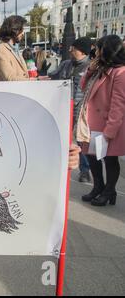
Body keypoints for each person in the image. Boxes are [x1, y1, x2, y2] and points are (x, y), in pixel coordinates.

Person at [77, 35, 125, 207]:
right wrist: (90, 69)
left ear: (107, 50)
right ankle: (98, 186)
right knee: (91, 156)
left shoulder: (120, 72)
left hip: (107, 124)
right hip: (92, 122)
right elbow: (83, 86)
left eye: (98, 48)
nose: (95, 51)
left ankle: (109, 191)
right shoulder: (99, 68)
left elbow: (118, 104)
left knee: (110, 160)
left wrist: (110, 131)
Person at [49, 36, 92, 183]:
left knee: (80, 142)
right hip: (62, 108)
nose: (70, 50)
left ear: (82, 51)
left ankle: (85, 171)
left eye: (73, 48)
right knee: (60, 137)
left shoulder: (90, 67)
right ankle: (60, 167)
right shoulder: (66, 64)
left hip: (80, 111)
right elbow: (52, 76)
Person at [0, 16, 33, 81]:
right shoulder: (1, 52)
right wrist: (35, 80)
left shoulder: (14, 49)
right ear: (14, 30)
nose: (23, 33)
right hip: (10, 90)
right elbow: (11, 78)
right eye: (21, 30)